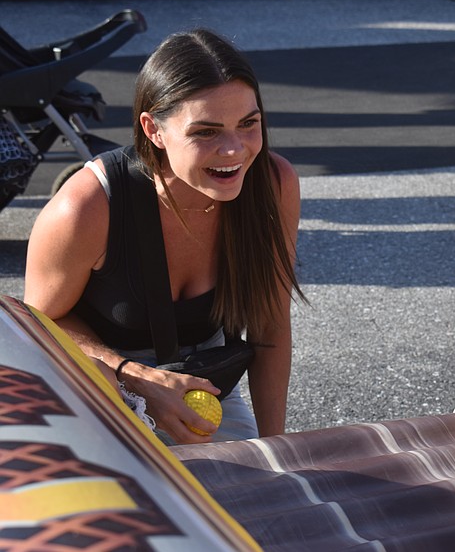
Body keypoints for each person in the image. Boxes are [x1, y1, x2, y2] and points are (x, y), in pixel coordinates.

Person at [24, 28, 304, 445]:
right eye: (206, 131)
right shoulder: (86, 207)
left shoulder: (274, 184)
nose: (234, 150)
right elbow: (37, 327)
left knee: (251, 496)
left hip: (204, 386)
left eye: (248, 124)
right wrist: (135, 377)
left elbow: (270, 325)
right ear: (153, 129)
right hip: (92, 383)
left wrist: (274, 450)